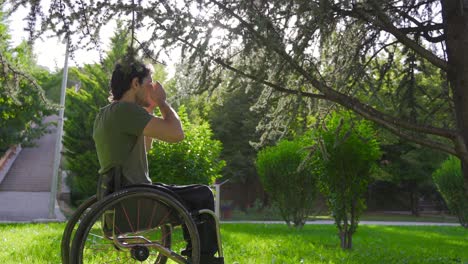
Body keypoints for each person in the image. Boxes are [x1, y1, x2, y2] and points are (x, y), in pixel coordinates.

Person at [92, 60, 223, 264]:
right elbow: (177, 134)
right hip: (137, 201)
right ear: (135, 84)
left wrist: (150, 109)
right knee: (203, 195)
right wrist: (162, 102)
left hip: (118, 199)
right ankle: (203, 259)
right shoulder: (126, 111)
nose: (152, 89)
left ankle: (197, 254)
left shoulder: (106, 114)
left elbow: (145, 148)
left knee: (193, 195)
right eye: (149, 83)